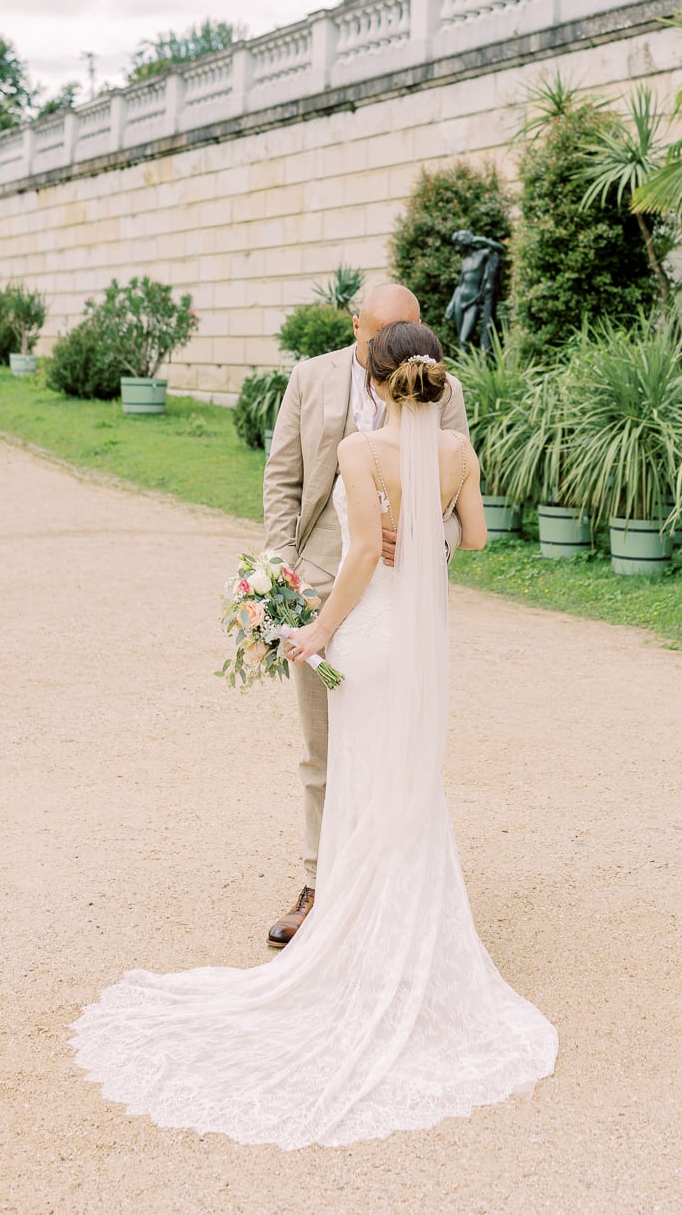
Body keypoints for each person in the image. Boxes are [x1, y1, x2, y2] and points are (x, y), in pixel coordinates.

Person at [72, 320, 557, 1147]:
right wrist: (430, 540)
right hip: (421, 642)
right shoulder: (456, 455)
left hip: (366, 636)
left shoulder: (365, 454)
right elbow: (473, 536)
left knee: (360, 783)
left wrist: (314, 633)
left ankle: (359, 950)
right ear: (435, 382)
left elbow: (362, 553)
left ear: (375, 379)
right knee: (409, 781)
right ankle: (410, 951)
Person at [262, 282, 468, 947]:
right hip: (322, 577)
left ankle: (389, 892)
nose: (397, 346)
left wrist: (429, 541)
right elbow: (283, 478)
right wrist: (278, 574)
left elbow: (459, 509)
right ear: (356, 326)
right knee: (325, 745)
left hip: (397, 591)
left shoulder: (444, 386)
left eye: (409, 330)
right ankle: (318, 882)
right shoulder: (309, 375)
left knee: (397, 743)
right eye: (381, 333)